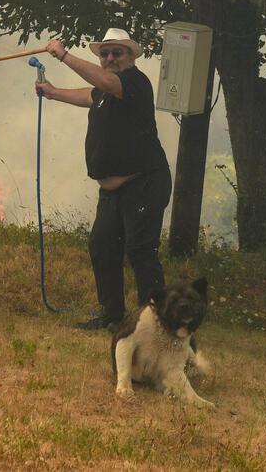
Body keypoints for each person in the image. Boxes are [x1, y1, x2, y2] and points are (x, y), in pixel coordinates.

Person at [35, 27, 170, 333]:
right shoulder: (106, 92)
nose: (109, 58)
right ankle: (112, 317)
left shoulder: (133, 82)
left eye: (117, 53)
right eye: (105, 53)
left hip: (144, 183)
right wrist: (54, 93)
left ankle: (157, 322)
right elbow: (90, 95)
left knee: (140, 251)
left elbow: (104, 83)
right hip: (114, 190)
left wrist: (65, 55)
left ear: (131, 56)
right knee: (103, 246)